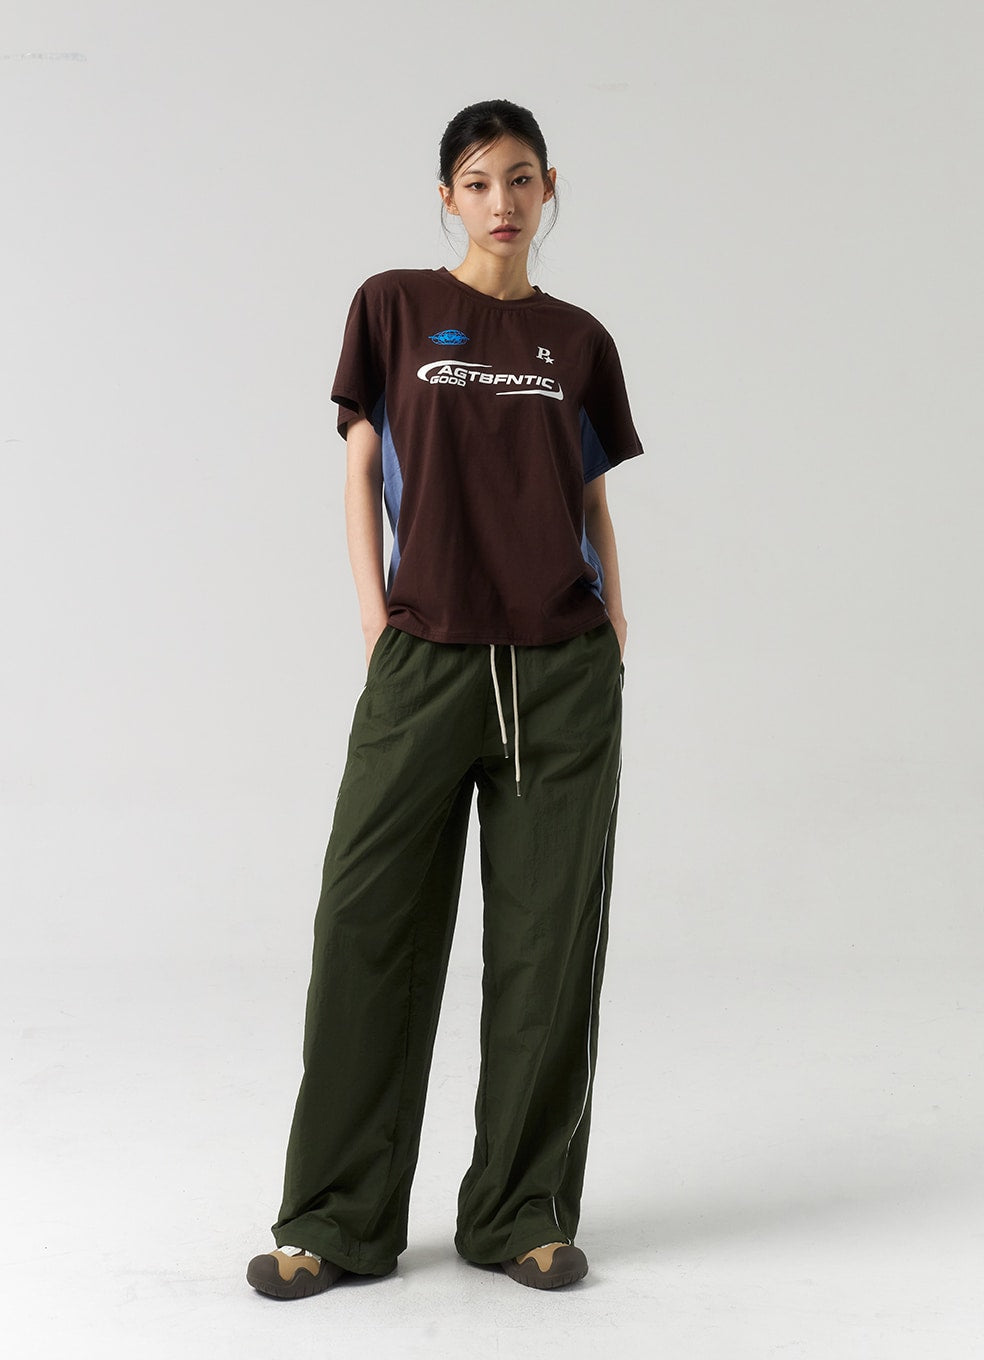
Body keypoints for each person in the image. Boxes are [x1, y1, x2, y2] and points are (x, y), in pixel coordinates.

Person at [246, 97, 644, 1299]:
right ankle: (335, 1219)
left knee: (545, 949)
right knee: (365, 928)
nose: (502, 202)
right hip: (425, 661)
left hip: (558, 673)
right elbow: (362, 464)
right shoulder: (393, 307)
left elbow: (587, 494)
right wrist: (377, 624)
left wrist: (614, 620)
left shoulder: (577, 339)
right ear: (446, 196)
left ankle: (522, 1211)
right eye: (477, 182)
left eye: (521, 178)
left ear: (549, 187)